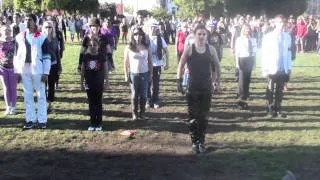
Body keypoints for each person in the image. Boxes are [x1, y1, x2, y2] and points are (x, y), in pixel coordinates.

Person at [176, 24, 221, 154]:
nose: (201, 36)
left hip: (206, 87)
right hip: (192, 87)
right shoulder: (190, 49)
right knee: (193, 116)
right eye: (199, 34)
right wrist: (179, 81)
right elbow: (180, 64)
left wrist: (217, 81)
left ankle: (201, 141)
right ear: (194, 35)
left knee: (204, 116)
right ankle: (194, 141)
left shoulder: (211, 49)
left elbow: (217, 66)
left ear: (207, 36)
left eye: (204, 34)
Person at [13, 13, 51, 129]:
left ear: (35, 22)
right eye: (26, 19)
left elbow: (46, 56)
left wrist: (46, 72)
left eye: (30, 20)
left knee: (41, 95)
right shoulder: (19, 37)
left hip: (38, 69)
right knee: (27, 95)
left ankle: (42, 120)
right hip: (24, 69)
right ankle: (30, 119)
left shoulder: (42, 37)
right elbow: (16, 56)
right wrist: (17, 71)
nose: (28, 21)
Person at [261, 15, 292, 118]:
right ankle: (270, 108)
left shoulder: (287, 36)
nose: (282, 25)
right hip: (271, 67)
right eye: (280, 23)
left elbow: (288, 53)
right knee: (270, 89)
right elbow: (264, 54)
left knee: (280, 90)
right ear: (275, 24)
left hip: (283, 68)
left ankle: (278, 108)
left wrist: (289, 67)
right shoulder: (268, 36)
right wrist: (265, 68)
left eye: (283, 23)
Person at [124, 28, 152, 120]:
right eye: (135, 34)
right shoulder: (128, 47)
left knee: (144, 95)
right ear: (133, 35)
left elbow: (150, 62)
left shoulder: (147, 47)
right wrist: (126, 74)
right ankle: (134, 113)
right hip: (133, 74)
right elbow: (126, 62)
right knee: (134, 94)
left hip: (144, 74)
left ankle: (142, 113)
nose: (138, 36)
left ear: (143, 36)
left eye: (140, 34)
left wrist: (150, 74)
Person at [81, 36, 106, 131]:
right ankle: (93, 122)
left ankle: (99, 123)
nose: (92, 46)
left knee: (98, 103)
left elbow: (106, 70)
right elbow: (83, 70)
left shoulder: (101, 56)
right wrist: (81, 83)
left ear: (98, 46)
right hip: (88, 84)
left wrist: (107, 82)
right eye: (90, 45)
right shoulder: (86, 56)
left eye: (95, 45)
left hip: (99, 83)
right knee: (91, 103)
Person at [146, 25, 169, 109]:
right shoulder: (146, 38)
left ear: (157, 29)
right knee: (148, 82)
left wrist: (167, 63)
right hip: (147, 63)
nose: (152, 29)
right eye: (151, 27)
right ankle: (148, 99)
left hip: (158, 63)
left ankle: (155, 100)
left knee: (156, 83)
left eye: (154, 28)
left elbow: (166, 51)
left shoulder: (160, 39)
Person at [235, 24, 257, 109]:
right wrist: (237, 63)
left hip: (250, 60)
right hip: (242, 60)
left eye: (249, 29)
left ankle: (245, 97)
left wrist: (255, 63)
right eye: (246, 29)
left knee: (247, 80)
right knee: (242, 81)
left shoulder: (253, 39)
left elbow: (255, 53)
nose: (248, 30)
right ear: (243, 30)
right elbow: (237, 52)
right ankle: (240, 99)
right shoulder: (239, 39)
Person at [42, 21, 61, 113]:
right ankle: (43, 103)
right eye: (46, 27)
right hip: (42, 66)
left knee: (51, 85)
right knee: (43, 85)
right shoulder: (40, 38)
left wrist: (59, 66)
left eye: (50, 27)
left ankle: (49, 104)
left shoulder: (55, 39)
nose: (48, 29)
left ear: (52, 28)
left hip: (53, 64)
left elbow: (57, 53)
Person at [0, 25, 17, 115]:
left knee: (13, 88)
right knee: (6, 88)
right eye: (5, 30)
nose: (7, 31)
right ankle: (8, 107)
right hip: (2, 68)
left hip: (13, 68)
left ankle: (13, 107)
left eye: (8, 30)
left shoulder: (15, 41)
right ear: (1, 31)